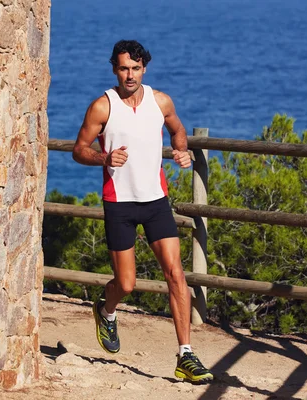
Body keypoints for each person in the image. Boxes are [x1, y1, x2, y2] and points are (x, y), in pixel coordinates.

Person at [71, 40, 213, 383]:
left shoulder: (160, 101)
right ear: (114, 69)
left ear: (144, 68)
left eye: (135, 68)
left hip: (155, 201)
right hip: (118, 203)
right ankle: (106, 310)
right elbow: (79, 150)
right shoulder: (102, 107)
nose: (129, 75)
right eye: (123, 68)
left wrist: (182, 153)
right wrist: (104, 158)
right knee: (127, 283)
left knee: (176, 274)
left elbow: (178, 131)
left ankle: (185, 355)